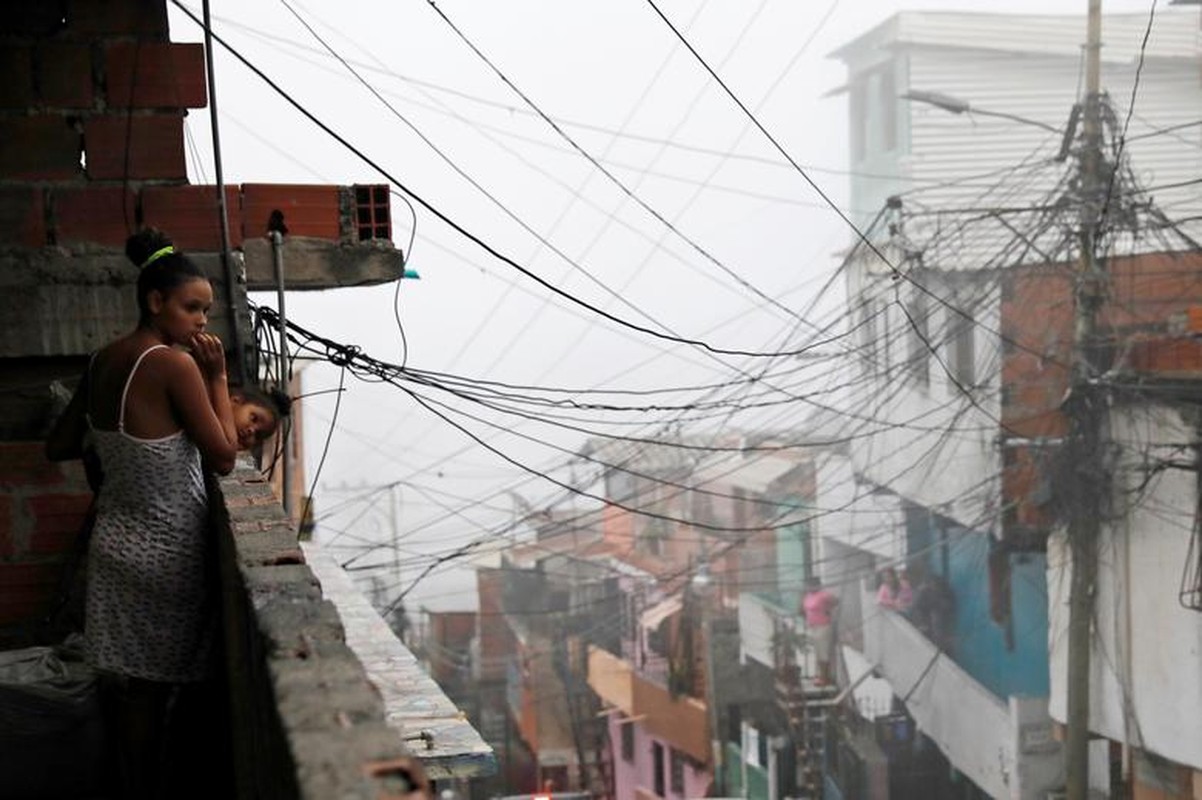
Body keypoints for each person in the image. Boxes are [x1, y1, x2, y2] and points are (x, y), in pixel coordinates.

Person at [45, 229, 242, 799]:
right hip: (167, 547)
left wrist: (118, 453)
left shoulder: (103, 358)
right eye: (192, 307)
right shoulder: (172, 365)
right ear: (155, 301)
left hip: (116, 543)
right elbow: (226, 457)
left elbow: (59, 445)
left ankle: (134, 788)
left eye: (206, 310)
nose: (202, 321)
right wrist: (219, 378)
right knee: (176, 696)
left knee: (136, 694)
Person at [801, 575, 839, 685]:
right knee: (818, 652)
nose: (807, 587)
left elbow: (836, 601)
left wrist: (827, 609)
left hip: (823, 626)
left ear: (816, 585)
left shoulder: (823, 595)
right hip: (813, 627)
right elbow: (804, 609)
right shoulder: (808, 596)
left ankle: (825, 678)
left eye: (809, 585)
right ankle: (820, 676)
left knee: (823, 653)